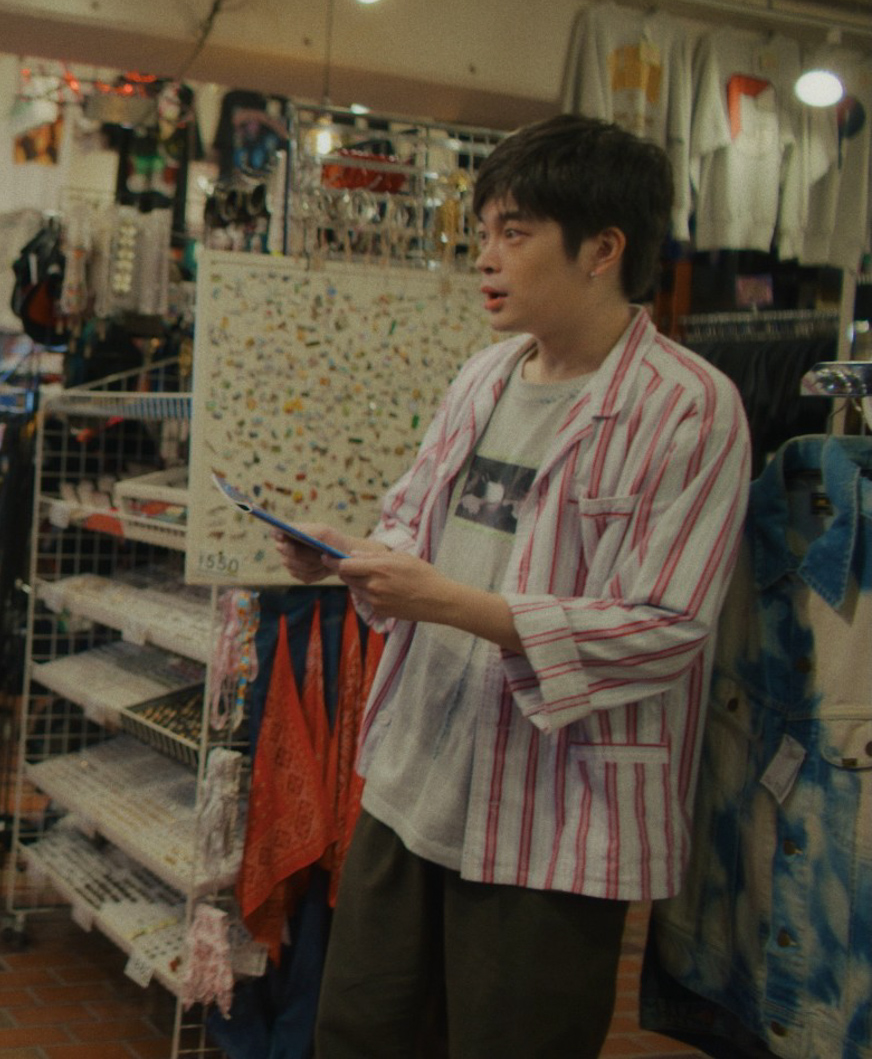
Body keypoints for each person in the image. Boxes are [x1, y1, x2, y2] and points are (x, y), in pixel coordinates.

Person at [274, 115, 751, 1059]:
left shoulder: (690, 408)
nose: (485, 256)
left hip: (554, 821)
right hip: (412, 781)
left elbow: (664, 626)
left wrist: (444, 601)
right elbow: (417, 521)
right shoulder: (483, 375)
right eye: (484, 230)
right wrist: (354, 554)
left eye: (514, 232)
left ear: (603, 250)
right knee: (358, 1033)